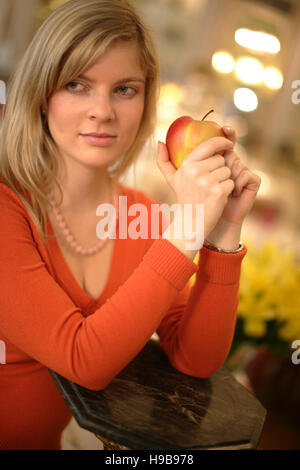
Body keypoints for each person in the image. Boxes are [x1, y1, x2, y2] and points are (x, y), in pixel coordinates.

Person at [0, 0, 261, 450]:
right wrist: (187, 228)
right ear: (42, 95)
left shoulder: (139, 214)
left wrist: (222, 234)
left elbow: (194, 359)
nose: (102, 110)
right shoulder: (7, 206)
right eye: (77, 85)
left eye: (124, 89)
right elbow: (82, 359)